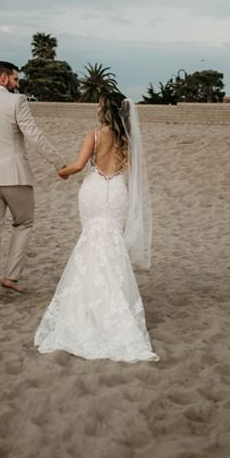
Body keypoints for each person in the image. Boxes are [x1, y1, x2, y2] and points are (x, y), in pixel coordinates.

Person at [34, 92, 158, 362]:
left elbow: (79, 165)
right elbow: (133, 174)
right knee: (111, 241)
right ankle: (114, 306)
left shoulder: (94, 135)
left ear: (105, 110)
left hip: (93, 190)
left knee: (91, 240)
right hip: (116, 192)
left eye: (99, 105)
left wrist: (61, 171)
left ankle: (86, 309)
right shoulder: (128, 138)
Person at [0, 61, 66, 305]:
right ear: (2, 78)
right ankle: (10, 276)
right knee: (24, 223)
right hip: (14, 176)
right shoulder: (17, 101)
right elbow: (34, 134)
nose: (18, 84)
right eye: (15, 79)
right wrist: (58, 163)